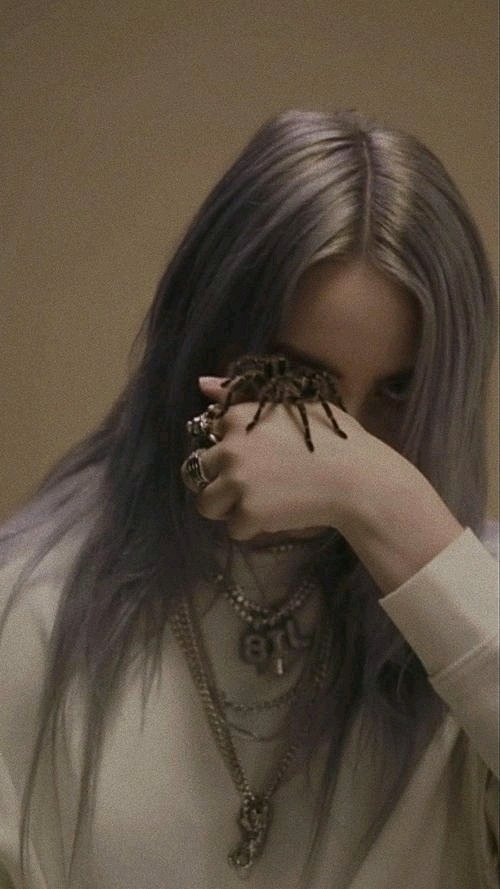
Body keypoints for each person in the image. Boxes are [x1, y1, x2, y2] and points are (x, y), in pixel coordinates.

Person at [0, 109, 498, 889]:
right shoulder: (30, 611)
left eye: (399, 391)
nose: (346, 443)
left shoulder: (475, 602)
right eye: (301, 381)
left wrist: (386, 501)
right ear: (203, 343)